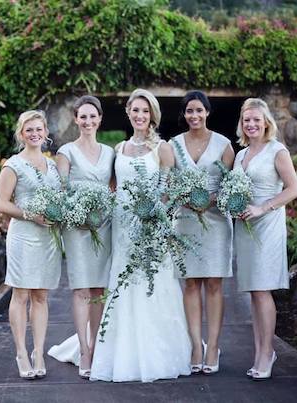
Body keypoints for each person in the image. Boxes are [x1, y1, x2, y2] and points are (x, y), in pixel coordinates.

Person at [90, 89, 191, 382]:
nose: (140, 116)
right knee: (123, 279)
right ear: (128, 113)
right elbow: (113, 187)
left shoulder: (162, 148)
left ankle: (156, 352)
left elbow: (170, 190)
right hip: (122, 227)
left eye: (145, 111)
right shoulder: (118, 149)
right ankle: (119, 352)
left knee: (153, 284)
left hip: (151, 227)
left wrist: (155, 217)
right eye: (135, 110)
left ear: (153, 116)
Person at [47, 96, 115, 378]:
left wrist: (101, 210)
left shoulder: (111, 152)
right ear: (76, 119)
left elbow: (113, 188)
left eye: (93, 116)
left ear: (100, 119)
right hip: (77, 228)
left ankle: (98, 348)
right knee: (82, 290)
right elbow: (61, 190)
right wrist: (79, 212)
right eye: (82, 117)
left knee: (99, 289)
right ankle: (85, 352)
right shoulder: (66, 151)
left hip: (104, 226)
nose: (88, 122)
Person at [169, 91, 235, 375]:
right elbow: (168, 181)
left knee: (214, 285)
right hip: (185, 220)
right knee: (191, 284)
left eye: (199, 110)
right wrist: (182, 197)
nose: (194, 116)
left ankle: (214, 345)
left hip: (217, 221)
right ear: (183, 115)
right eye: (189, 111)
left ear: (207, 112)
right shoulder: (173, 145)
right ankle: (196, 344)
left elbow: (232, 186)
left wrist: (209, 200)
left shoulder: (224, 145)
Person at [234, 98, 297, 380]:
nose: (251, 124)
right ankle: (260, 350)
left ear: (266, 123)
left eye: (256, 120)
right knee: (254, 291)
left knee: (263, 290)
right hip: (245, 227)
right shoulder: (240, 155)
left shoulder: (277, 150)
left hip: (267, 224)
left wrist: (263, 207)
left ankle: (267, 353)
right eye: (247, 120)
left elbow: (294, 188)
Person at [0, 110, 63, 380]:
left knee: (41, 296)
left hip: (48, 238)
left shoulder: (53, 165)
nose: (35, 134)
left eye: (39, 129)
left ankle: (38, 351)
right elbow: (1, 204)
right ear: (21, 134)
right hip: (23, 235)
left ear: (45, 132)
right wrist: (30, 215)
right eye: (29, 130)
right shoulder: (13, 165)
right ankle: (21, 352)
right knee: (21, 294)